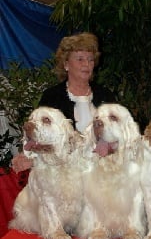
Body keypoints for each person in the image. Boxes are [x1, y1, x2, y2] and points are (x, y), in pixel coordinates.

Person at [12, 32, 116, 172]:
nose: (86, 64)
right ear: (66, 64)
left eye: (90, 59)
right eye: (80, 59)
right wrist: (28, 156)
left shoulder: (106, 96)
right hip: (65, 172)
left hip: (102, 171)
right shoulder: (52, 96)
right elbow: (38, 136)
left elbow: (118, 134)